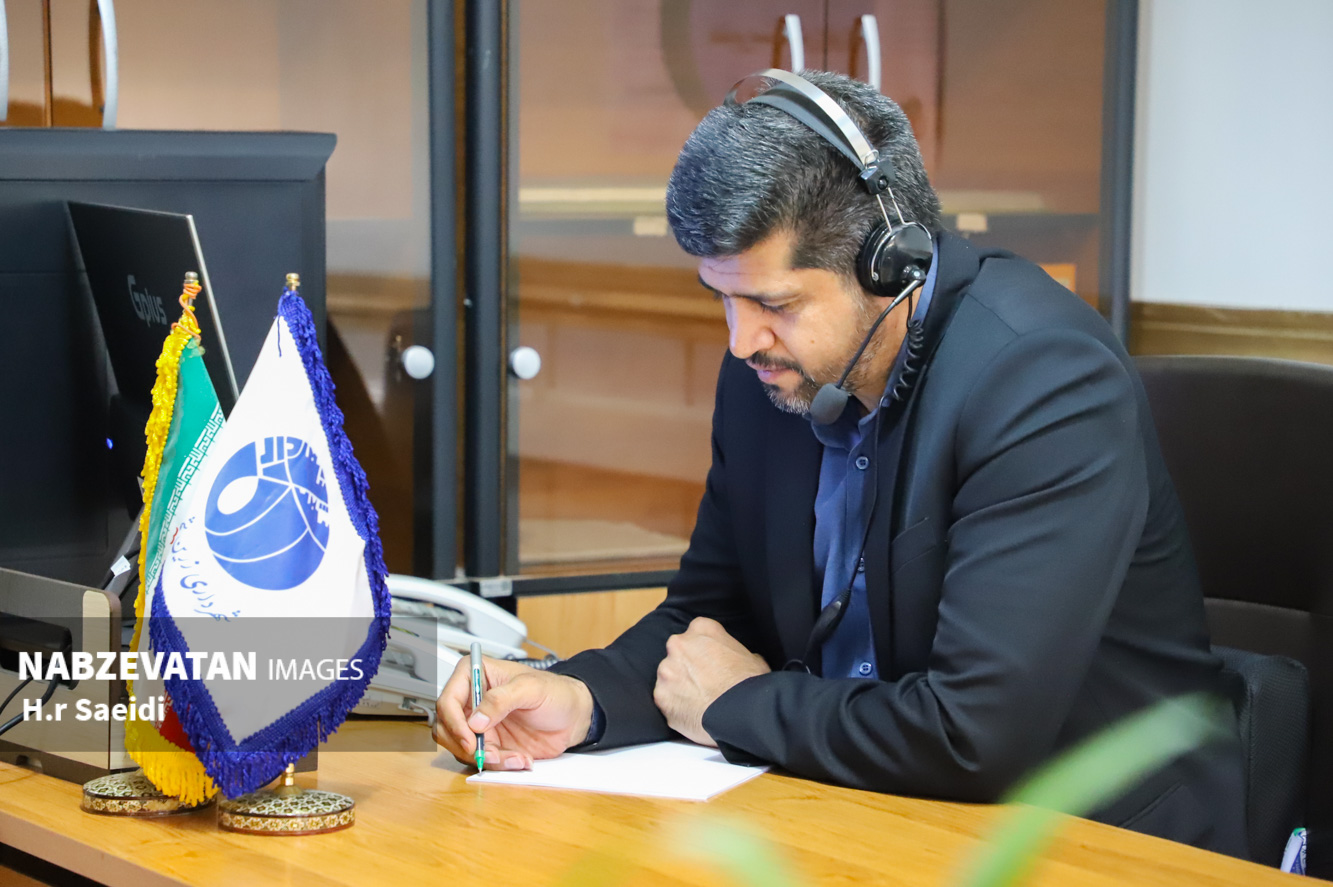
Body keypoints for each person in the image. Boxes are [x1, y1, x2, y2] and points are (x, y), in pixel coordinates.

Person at [434, 69, 1247, 857]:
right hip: (863, 810)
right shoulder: (772, 371)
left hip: (1088, 843)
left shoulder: (1040, 379)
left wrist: (740, 703)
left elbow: (974, 733)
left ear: (888, 263)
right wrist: (580, 697)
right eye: (722, 297)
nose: (739, 339)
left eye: (773, 303)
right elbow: (709, 619)